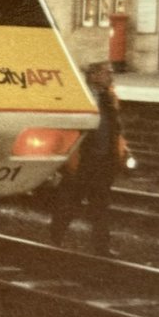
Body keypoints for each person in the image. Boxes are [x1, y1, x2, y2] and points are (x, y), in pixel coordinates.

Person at [49, 61, 126, 256]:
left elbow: (115, 129)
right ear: (93, 76)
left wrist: (120, 154)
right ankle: (55, 240)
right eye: (106, 72)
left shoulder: (109, 97)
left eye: (111, 72)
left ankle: (102, 247)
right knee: (70, 202)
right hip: (81, 160)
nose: (111, 76)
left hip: (103, 161)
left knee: (100, 205)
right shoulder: (79, 97)